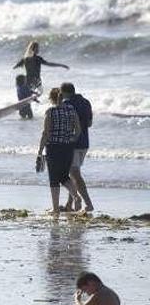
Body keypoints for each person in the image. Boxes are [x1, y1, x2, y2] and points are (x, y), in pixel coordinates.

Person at [37, 87, 82, 214]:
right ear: (62, 98)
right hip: (67, 148)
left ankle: (55, 208)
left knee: (54, 178)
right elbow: (78, 131)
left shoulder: (50, 112)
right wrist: (69, 140)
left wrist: (40, 151)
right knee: (64, 176)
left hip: (53, 148)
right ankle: (76, 196)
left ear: (51, 98)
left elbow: (45, 133)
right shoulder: (71, 110)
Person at [62, 82, 94, 212]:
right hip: (84, 143)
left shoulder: (66, 105)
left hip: (72, 143)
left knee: (74, 174)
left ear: (64, 92)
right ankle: (70, 204)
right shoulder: (86, 102)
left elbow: (65, 126)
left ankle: (88, 204)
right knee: (74, 173)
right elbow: (90, 123)